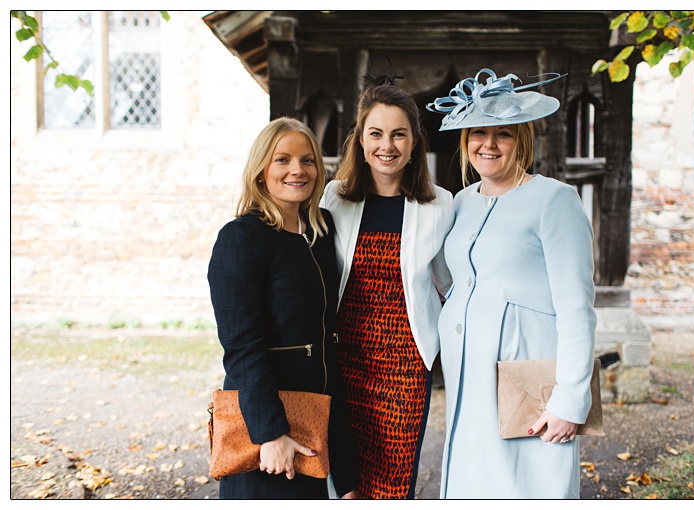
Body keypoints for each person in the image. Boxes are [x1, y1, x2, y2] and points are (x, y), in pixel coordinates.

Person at [428, 69, 597, 498]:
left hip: (527, 373)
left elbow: (577, 307)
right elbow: (451, 280)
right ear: (465, 141)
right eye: (477, 132)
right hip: (468, 374)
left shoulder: (555, 199)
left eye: (502, 133)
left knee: (527, 486)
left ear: (522, 140)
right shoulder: (461, 203)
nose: (489, 144)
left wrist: (569, 399)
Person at [207, 117, 360, 499]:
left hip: (314, 424)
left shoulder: (320, 232)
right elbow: (242, 349)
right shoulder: (240, 239)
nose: (298, 169)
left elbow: (327, 344)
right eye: (283, 159)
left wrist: (345, 473)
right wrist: (270, 433)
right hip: (267, 430)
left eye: (308, 160)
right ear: (261, 172)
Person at [319, 79, 454, 499]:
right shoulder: (334, 198)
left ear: (415, 143)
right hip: (345, 360)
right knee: (346, 484)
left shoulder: (440, 205)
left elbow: (450, 284)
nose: (387, 145)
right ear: (361, 141)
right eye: (376, 133)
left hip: (405, 367)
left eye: (399, 134)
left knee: (394, 485)